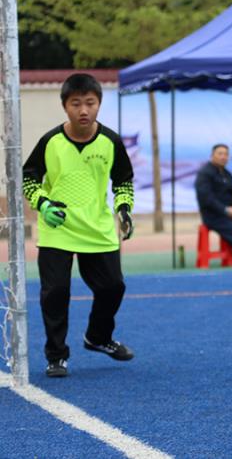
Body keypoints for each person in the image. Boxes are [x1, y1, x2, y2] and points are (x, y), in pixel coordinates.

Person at [22, 73, 135, 378]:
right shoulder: (50, 141)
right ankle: (56, 356)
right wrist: (43, 204)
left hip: (97, 229)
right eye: (76, 103)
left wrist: (124, 209)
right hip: (57, 230)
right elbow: (29, 179)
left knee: (113, 287)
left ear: (99, 104)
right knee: (55, 292)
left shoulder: (111, 141)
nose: (83, 110)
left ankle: (98, 337)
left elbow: (123, 181)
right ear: (65, 106)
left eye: (90, 103)